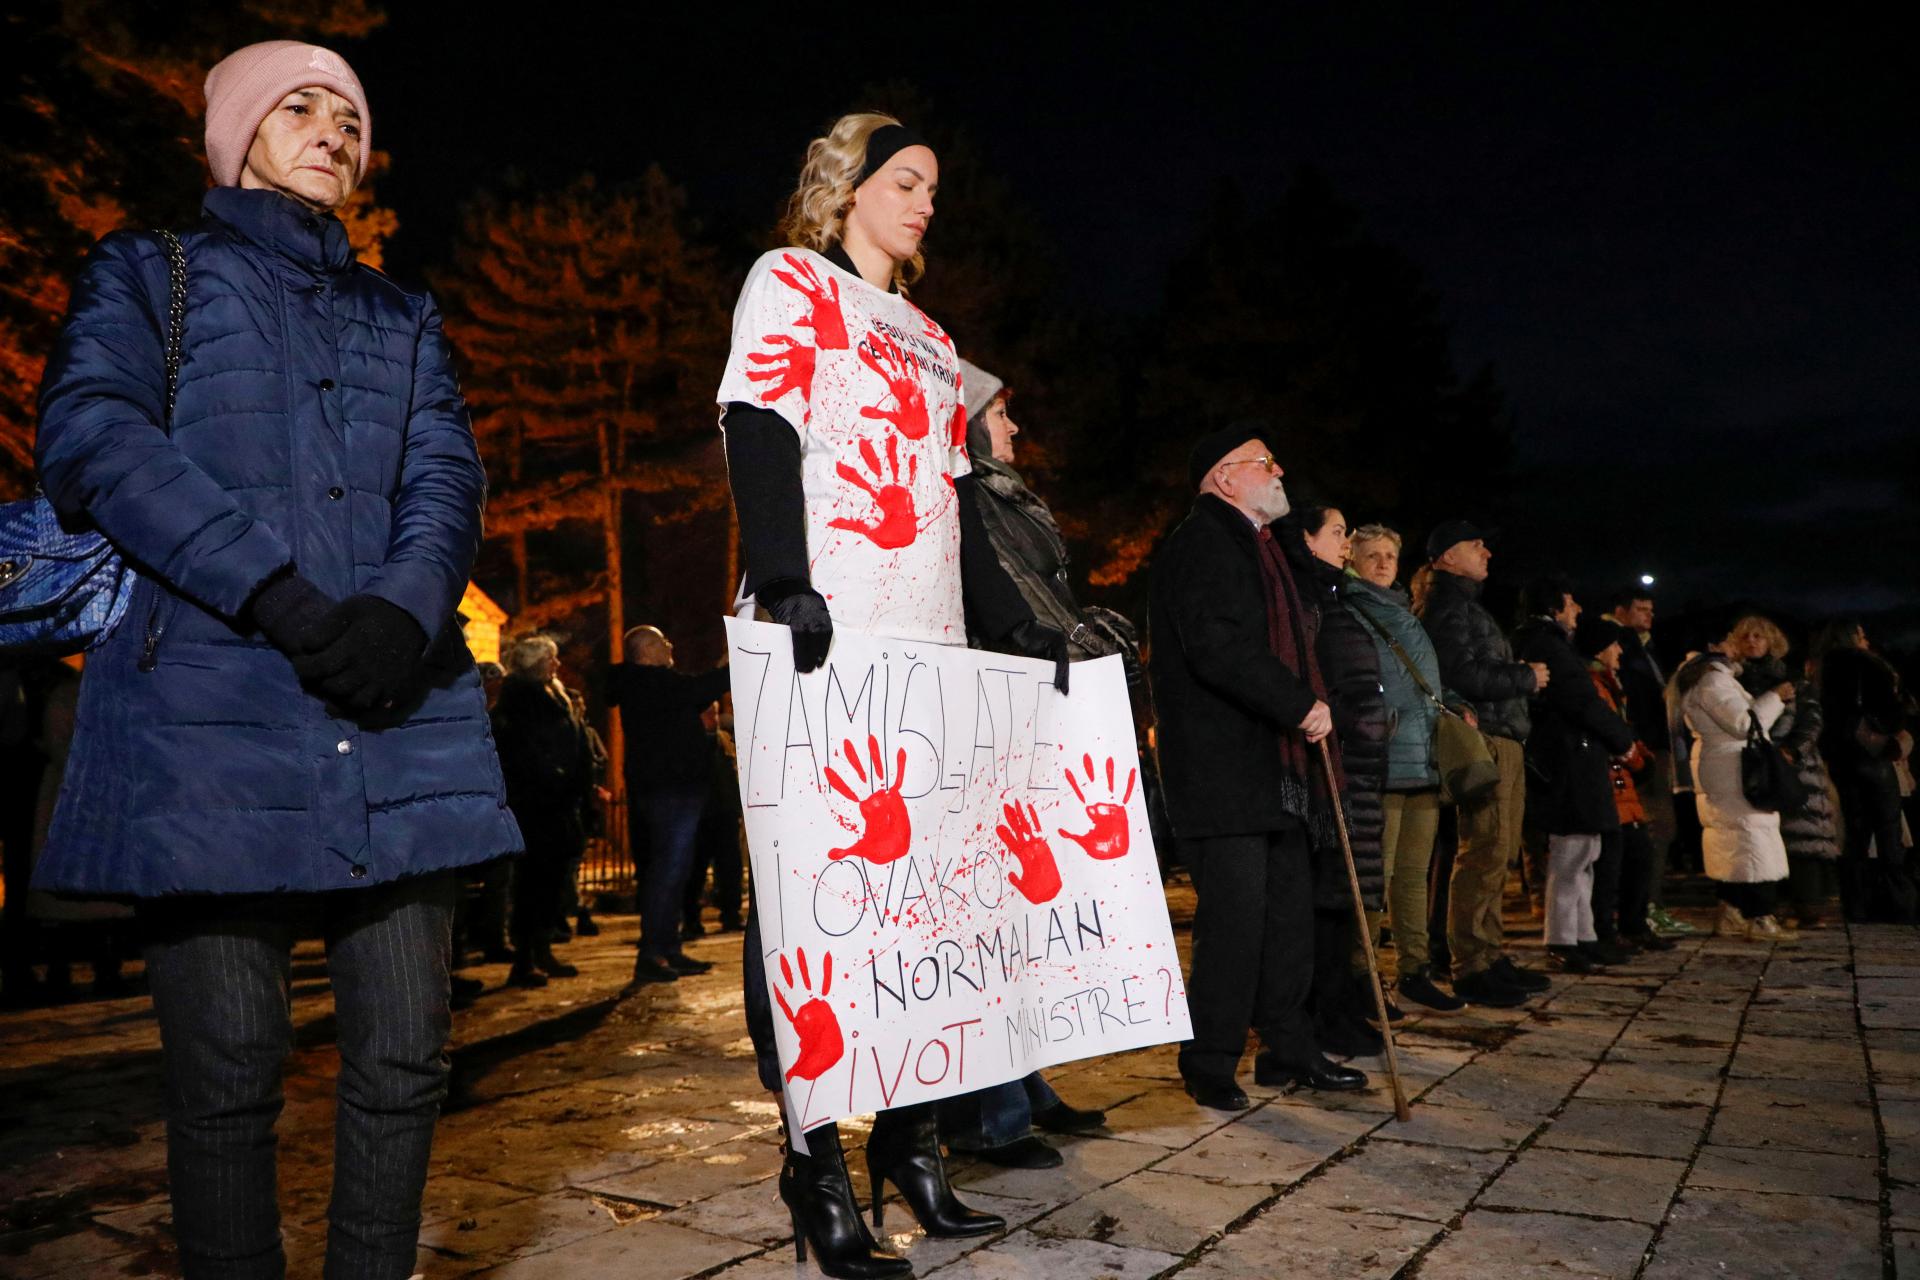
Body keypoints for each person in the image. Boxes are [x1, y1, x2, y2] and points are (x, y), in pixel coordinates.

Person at [30, 41, 519, 1278]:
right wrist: (283, 597)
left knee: (407, 1056)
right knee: (227, 1078)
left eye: (350, 118)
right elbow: (91, 435)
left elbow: (447, 473)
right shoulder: (153, 270)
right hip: (213, 716)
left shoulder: (403, 313)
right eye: (299, 108)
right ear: (238, 132)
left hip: (401, 716)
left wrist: (407, 611)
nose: (331, 133)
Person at [718, 113, 1063, 1277]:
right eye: (905, 179)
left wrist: (1018, 626)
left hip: (932, 650)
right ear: (848, 185)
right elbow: (757, 421)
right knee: (822, 911)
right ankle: (814, 1160)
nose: (925, 201)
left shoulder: (928, 334)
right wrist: (781, 576)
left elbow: (956, 501)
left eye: (932, 186)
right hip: (829, 635)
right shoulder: (793, 283)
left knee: (928, 910)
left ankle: (912, 1147)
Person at [1150, 424, 1367, 1113]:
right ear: (1223, 477)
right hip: (1225, 765)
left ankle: (1288, 1047)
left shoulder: (1268, 549)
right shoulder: (1203, 543)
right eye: (1262, 463)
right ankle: (1210, 1059)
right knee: (1235, 923)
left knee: (1287, 919)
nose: (1279, 473)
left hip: (1272, 767)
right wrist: (1300, 703)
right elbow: (1217, 646)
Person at [935, 361, 1114, 1168]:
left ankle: (1025, 1080)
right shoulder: (968, 497)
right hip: (986, 709)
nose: (1014, 429)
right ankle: (988, 1111)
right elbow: (1000, 599)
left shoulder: (1002, 497)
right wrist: (1057, 644)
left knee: (1026, 919)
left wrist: (1079, 639)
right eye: (1001, 415)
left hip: (1023, 703)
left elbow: (1041, 597)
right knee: (988, 922)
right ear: (966, 422)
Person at [1421, 522, 1550, 1006]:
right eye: (1475, 544)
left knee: (1498, 853)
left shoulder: (1465, 605)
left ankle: (1490, 955)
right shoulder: (1448, 606)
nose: (1487, 551)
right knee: (1482, 852)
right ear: (1447, 556)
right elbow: (1460, 674)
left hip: (1504, 739)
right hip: (1486, 740)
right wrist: (1525, 677)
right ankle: (1470, 964)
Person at [1345, 524, 1466, 1014]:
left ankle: (1413, 971)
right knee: (1379, 873)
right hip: (1385, 759)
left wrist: (1454, 703)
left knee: (1414, 874)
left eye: (1390, 555)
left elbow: (1425, 683)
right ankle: (1364, 977)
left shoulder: (1406, 614)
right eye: (1370, 555)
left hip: (1423, 759)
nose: (1381, 563)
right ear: (1351, 559)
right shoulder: (1351, 610)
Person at [1286, 505, 1391, 1056]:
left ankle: (1340, 1006)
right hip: (1329, 763)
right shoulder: (1306, 600)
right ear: (1304, 539)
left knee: (1343, 897)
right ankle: (1323, 1014)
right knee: (1327, 896)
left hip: (1355, 763)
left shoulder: (1331, 597)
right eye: (1335, 533)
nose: (1347, 544)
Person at [1514, 578, 1636, 973]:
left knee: (1586, 850)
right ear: (1553, 607)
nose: (1578, 610)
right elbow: (1581, 700)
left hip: (1574, 757)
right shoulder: (1547, 644)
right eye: (1571, 602)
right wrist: (1623, 739)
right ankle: (1563, 939)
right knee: (1572, 854)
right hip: (1567, 761)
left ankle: (1582, 936)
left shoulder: (1548, 643)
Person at [607, 624, 728, 983]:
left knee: (674, 872)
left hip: (671, 789)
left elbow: (695, 693)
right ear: (646, 652)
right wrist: (730, 665)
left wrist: (724, 665)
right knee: (667, 872)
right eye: (663, 641)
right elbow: (697, 690)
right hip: (669, 791)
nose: (670, 643)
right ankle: (653, 953)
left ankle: (667, 947)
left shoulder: (650, 685)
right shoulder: (649, 684)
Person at [1677, 637, 1798, 940]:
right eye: (1734, 640)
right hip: (1735, 767)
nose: (1740, 646)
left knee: (1733, 839)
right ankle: (1760, 917)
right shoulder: (1713, 680)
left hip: (1726, 765)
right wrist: (1775, 696)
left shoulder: (1707, 677)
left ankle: (1731, 910)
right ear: (1716, 645)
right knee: (1753, 837)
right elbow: (1744, 724)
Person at [490, 636, 591, 988]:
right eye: (551, 659)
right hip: (537, 804)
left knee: (553, 881)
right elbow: (528, 751)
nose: (557, 665)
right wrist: (555, 779)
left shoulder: (555, 693)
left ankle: (542, 949)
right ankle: (525, 957)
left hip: (559, 802)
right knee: (533, 883)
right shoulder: (520, 699)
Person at [1729, 617, 1840, 929]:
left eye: (1759, 637)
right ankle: (1764, 906)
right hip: (1754, 766)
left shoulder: (1792, 680)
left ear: (1771, 642)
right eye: (1746, 636)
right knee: (1759, 837)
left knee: (1802, 839)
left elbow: (1812, 721)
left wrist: (1792, 751)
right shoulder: (1732, 681)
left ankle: (1807, 905)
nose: (1752, 641)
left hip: (1795, 768)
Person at [1579, 617, 1674, 953]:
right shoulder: (1592, 684)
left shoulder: (1608, 681)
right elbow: (1610, 732)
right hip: (1610, 783)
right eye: (1614, 644)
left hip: (1622, 785)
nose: (1619, 650)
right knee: (1611, 864)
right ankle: (1606, 930)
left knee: (1638, 854)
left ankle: (1633, 926)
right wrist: (1637, 757)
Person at [1816, 619, 1914, 923]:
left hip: (1840, 756)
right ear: (1853, 637)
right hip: (1872, 754)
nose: (1865, 638)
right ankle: (1899, 904)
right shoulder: (1871, 665)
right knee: (1888, 831)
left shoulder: (1823, 669)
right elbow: (1891, 708)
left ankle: (1855, 906)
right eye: (1860, 633)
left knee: (1855, 834)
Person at [1608, 588, 1688, 936]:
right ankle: (1642, 906)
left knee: (1656, 830)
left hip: (1654, 748)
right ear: (1621, 611)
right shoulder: (1624, 646)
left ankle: (1645, 904)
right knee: (1655, 828)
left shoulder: (1646, 647)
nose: (1648, 616)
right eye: (1641, 609)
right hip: (1642, 750)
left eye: (1651, 610)